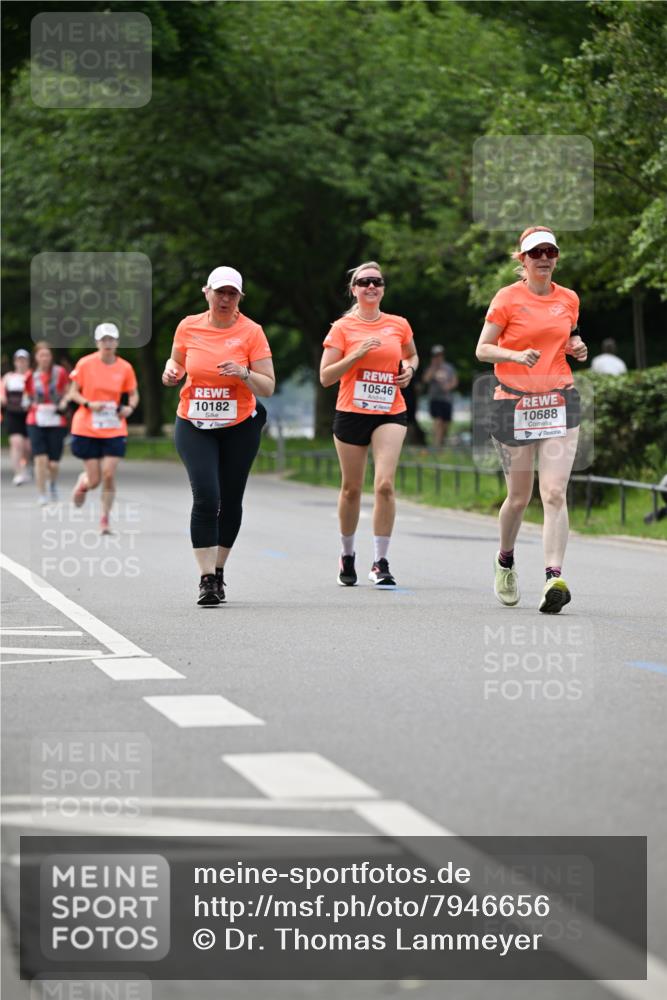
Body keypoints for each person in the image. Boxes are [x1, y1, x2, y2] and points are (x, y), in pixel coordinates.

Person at [475, 226, 588, 614]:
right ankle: (505, 559)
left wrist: (577, 347)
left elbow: (568, 339)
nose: (543, 258)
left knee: (554, 493)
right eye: (535, 252)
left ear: (556, 257)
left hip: (559, 401)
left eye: (550, 252)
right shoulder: (507, 298)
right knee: (519, 498)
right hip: (513, 404)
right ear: (522, 259)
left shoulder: (569, 299)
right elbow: (483, 349)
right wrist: (513, 355)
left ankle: (553, 577)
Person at [162, 266, 275, 607]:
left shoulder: (251, 332)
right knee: (206, 497)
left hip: (239, 425)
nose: (225, 299)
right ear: (206, 292)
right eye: (219, 292)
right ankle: (206, 579)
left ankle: (219, 568)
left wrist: (244, 373)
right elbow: (177, 362)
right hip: (194, 423)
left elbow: (268, 386)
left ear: (240, 297)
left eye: (232, 293)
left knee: (231, 499)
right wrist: (171, 371)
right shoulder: (188, 325)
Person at [320, 260, 419, 587]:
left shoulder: (398, 324)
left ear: (383, 288)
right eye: (364, 282)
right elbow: (325, 376)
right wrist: (356, 355)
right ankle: (347, 554)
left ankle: (380, 561)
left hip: (390, 409)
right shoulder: (342, 328)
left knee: (385, 485)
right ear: (354, 290)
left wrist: (409, 368)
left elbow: (411, 355)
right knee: (351, 489)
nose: (371, 286)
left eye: (377, 281)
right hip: (351, 411)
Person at [68, 323, 139, 534]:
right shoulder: (85, 363)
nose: (107, 343)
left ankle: (104, 519)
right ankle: (84, 483)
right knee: (95, 480)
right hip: (87, 427)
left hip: (114, 427)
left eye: (111, 339)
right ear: (97, 342)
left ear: (117, 342)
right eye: (103, 340)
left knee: (108, 473)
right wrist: (89, 403)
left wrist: (130, 407)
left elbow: (133, 394)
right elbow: (73, 393)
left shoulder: (125, 367)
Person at [24, 341, 70, 504]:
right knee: (40, 459)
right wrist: (28, 403)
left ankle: (53, 483)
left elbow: (67, 391)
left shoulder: (60, 372)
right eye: (41, 355)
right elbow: (26, 396)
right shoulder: (30, 375)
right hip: (35, 419)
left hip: (56, 419)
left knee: (53, 463)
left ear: (51, 357)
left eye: (47, 355)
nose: (44, 358)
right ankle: (42, 493)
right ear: (36, 357)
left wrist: (64, 402)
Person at [1, 349, 32, 484]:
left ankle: (26, 466)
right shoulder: (8, 377)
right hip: (13, 413)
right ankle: (18, 473)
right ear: (15, 362)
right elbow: (2, 392)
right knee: (16, 443)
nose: (21, 363)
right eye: (19, 360)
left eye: (23, 360)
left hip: (29, 413)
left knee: (28, 446)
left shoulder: (32, 376)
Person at [421, 344, 458, 447]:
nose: (438, 357)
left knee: (445, 424)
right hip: (435, 399)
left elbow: (455, 381)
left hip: (447, 399)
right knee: (438, 421)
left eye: (439, 355)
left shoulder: (449, 367)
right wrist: (433, 368)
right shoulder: (431, 368)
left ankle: (441, 444)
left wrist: (448, 386)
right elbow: (425, 379)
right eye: (435, 356)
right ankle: (436, 446)